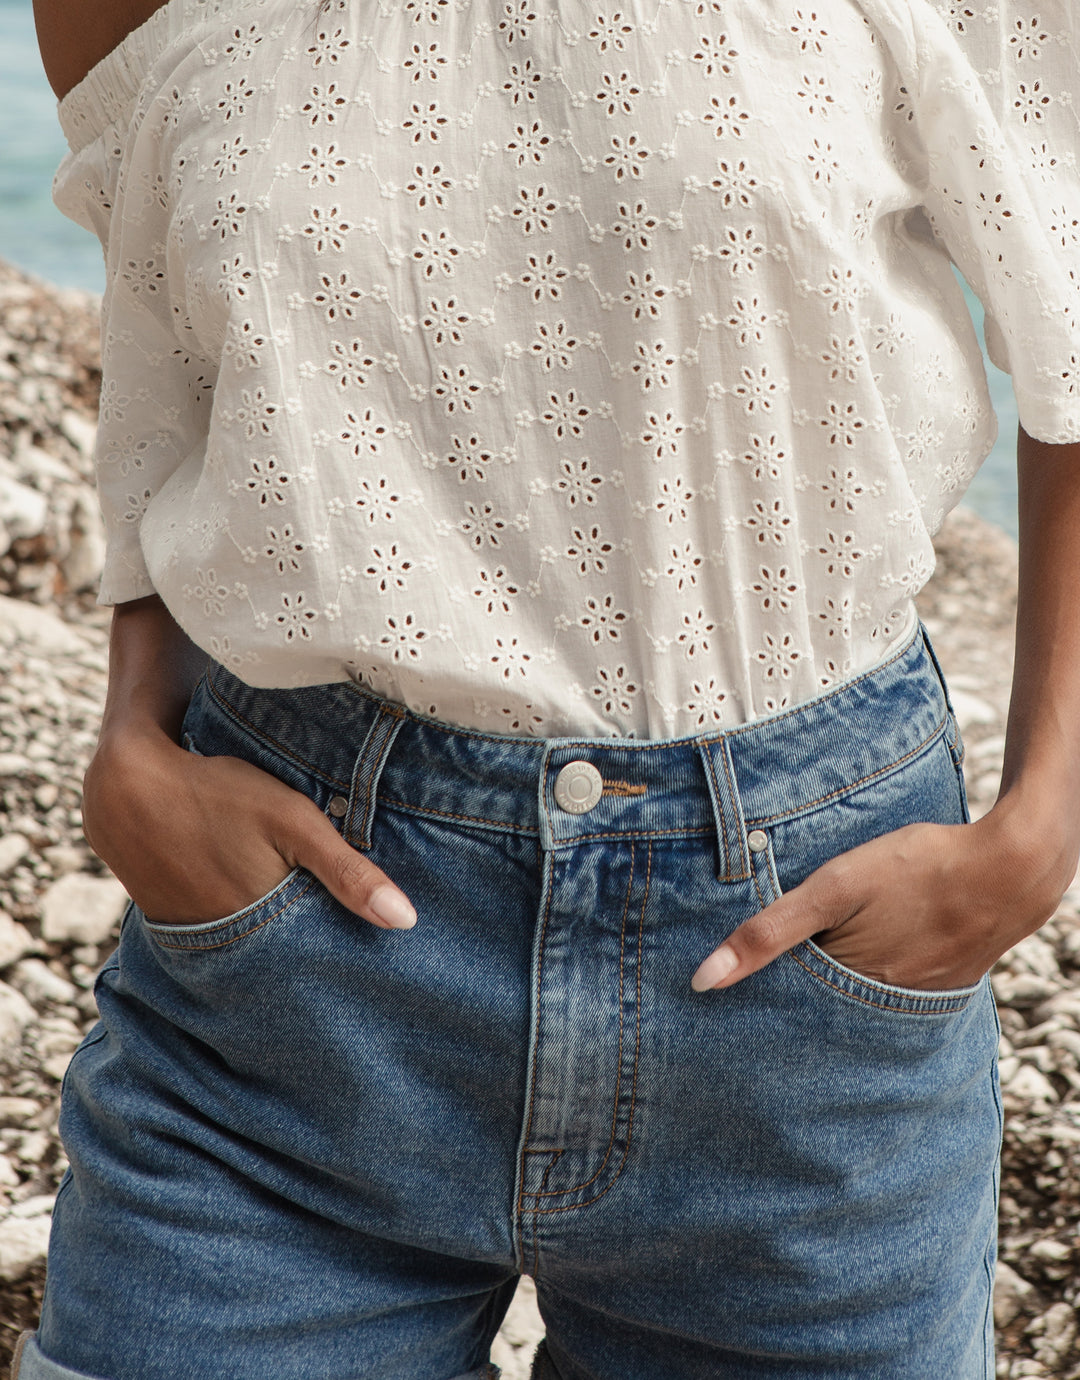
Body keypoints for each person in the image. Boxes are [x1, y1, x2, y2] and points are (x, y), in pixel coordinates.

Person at [19, 0, 1080, 1375]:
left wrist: (1044, 820)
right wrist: (132, 734)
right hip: (289, 996)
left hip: (803, 991)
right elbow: (178, 332)